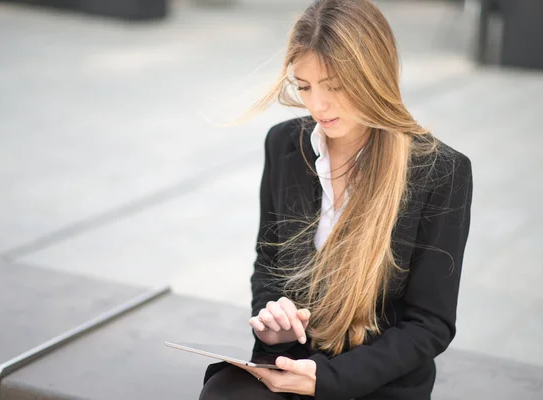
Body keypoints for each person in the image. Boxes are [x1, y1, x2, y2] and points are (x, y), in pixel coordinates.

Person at [199, 0, 473, 399]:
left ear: (373, 75)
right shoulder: (284, 144)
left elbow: (430, 324)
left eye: (334, 86)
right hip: (291, 362)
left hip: (376, 380)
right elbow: (269, 264)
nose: (317, 106)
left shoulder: (440, 170)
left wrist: (328, 379)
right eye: (305, 86)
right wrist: (275, 318)